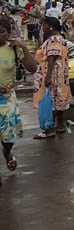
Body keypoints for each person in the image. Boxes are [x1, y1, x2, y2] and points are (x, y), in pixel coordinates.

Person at [0, 17, 37, 185]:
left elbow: (32, 68)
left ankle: (7, 152)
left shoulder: (14, 49)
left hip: (7, 98)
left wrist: (23, 47)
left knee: (8, 137)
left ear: (8, 33)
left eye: (1, 32)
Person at [32, 17, 72, 139]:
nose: (42, 29)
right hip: (60, 76)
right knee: (58, 100)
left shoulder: (53, 40)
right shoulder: (60, 39)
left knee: (51, 101)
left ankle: (49, 129)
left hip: (52, 75)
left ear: (51, 26)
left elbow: (52, 58)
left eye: (44, 26)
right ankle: (60, 125)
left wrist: (48, 77)